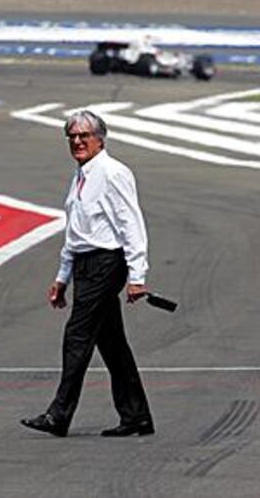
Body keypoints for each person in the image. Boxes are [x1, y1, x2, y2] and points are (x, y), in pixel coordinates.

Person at [20, 110, 154, 438]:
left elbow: (131, 225)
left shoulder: (112, 173)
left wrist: (137, 276)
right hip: (85, 264)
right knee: (111, 344)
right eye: (72, 137)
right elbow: (76, 233)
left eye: (84, 136)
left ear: (100, 139)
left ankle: (59, 415)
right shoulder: (80, 175)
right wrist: (62, 277)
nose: (78, 142)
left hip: (106, 264)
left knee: (77, 336)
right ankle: (137, 416)